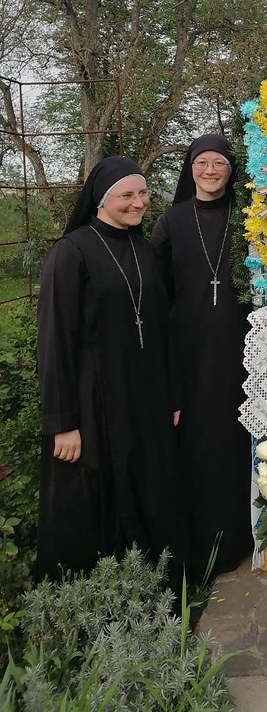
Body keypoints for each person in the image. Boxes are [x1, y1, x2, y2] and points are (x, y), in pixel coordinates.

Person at [37, 156, 187, 582]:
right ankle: (100, 605)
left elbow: (162, 329)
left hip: (147, 397)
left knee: (151, 488)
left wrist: (172, 396)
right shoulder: (71, 253)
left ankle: (156, 590)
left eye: (143, 193)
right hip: (94, 399)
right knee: (100, 498)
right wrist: (62, 422)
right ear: (101, 201)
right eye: (127, 195)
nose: (138, 203)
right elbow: (54, 342)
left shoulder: (144, 249)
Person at [151, 134, 253, 576]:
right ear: (190, 167)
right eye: (202, 163)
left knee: (233, 442)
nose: (211, 171)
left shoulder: (249, 221)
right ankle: (199, 539)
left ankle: (240, 539)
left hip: (238, 351)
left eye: (220, 165)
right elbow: (156, 293)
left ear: (232, 171)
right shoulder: (170, 222)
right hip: (189, 355)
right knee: (196, 445)